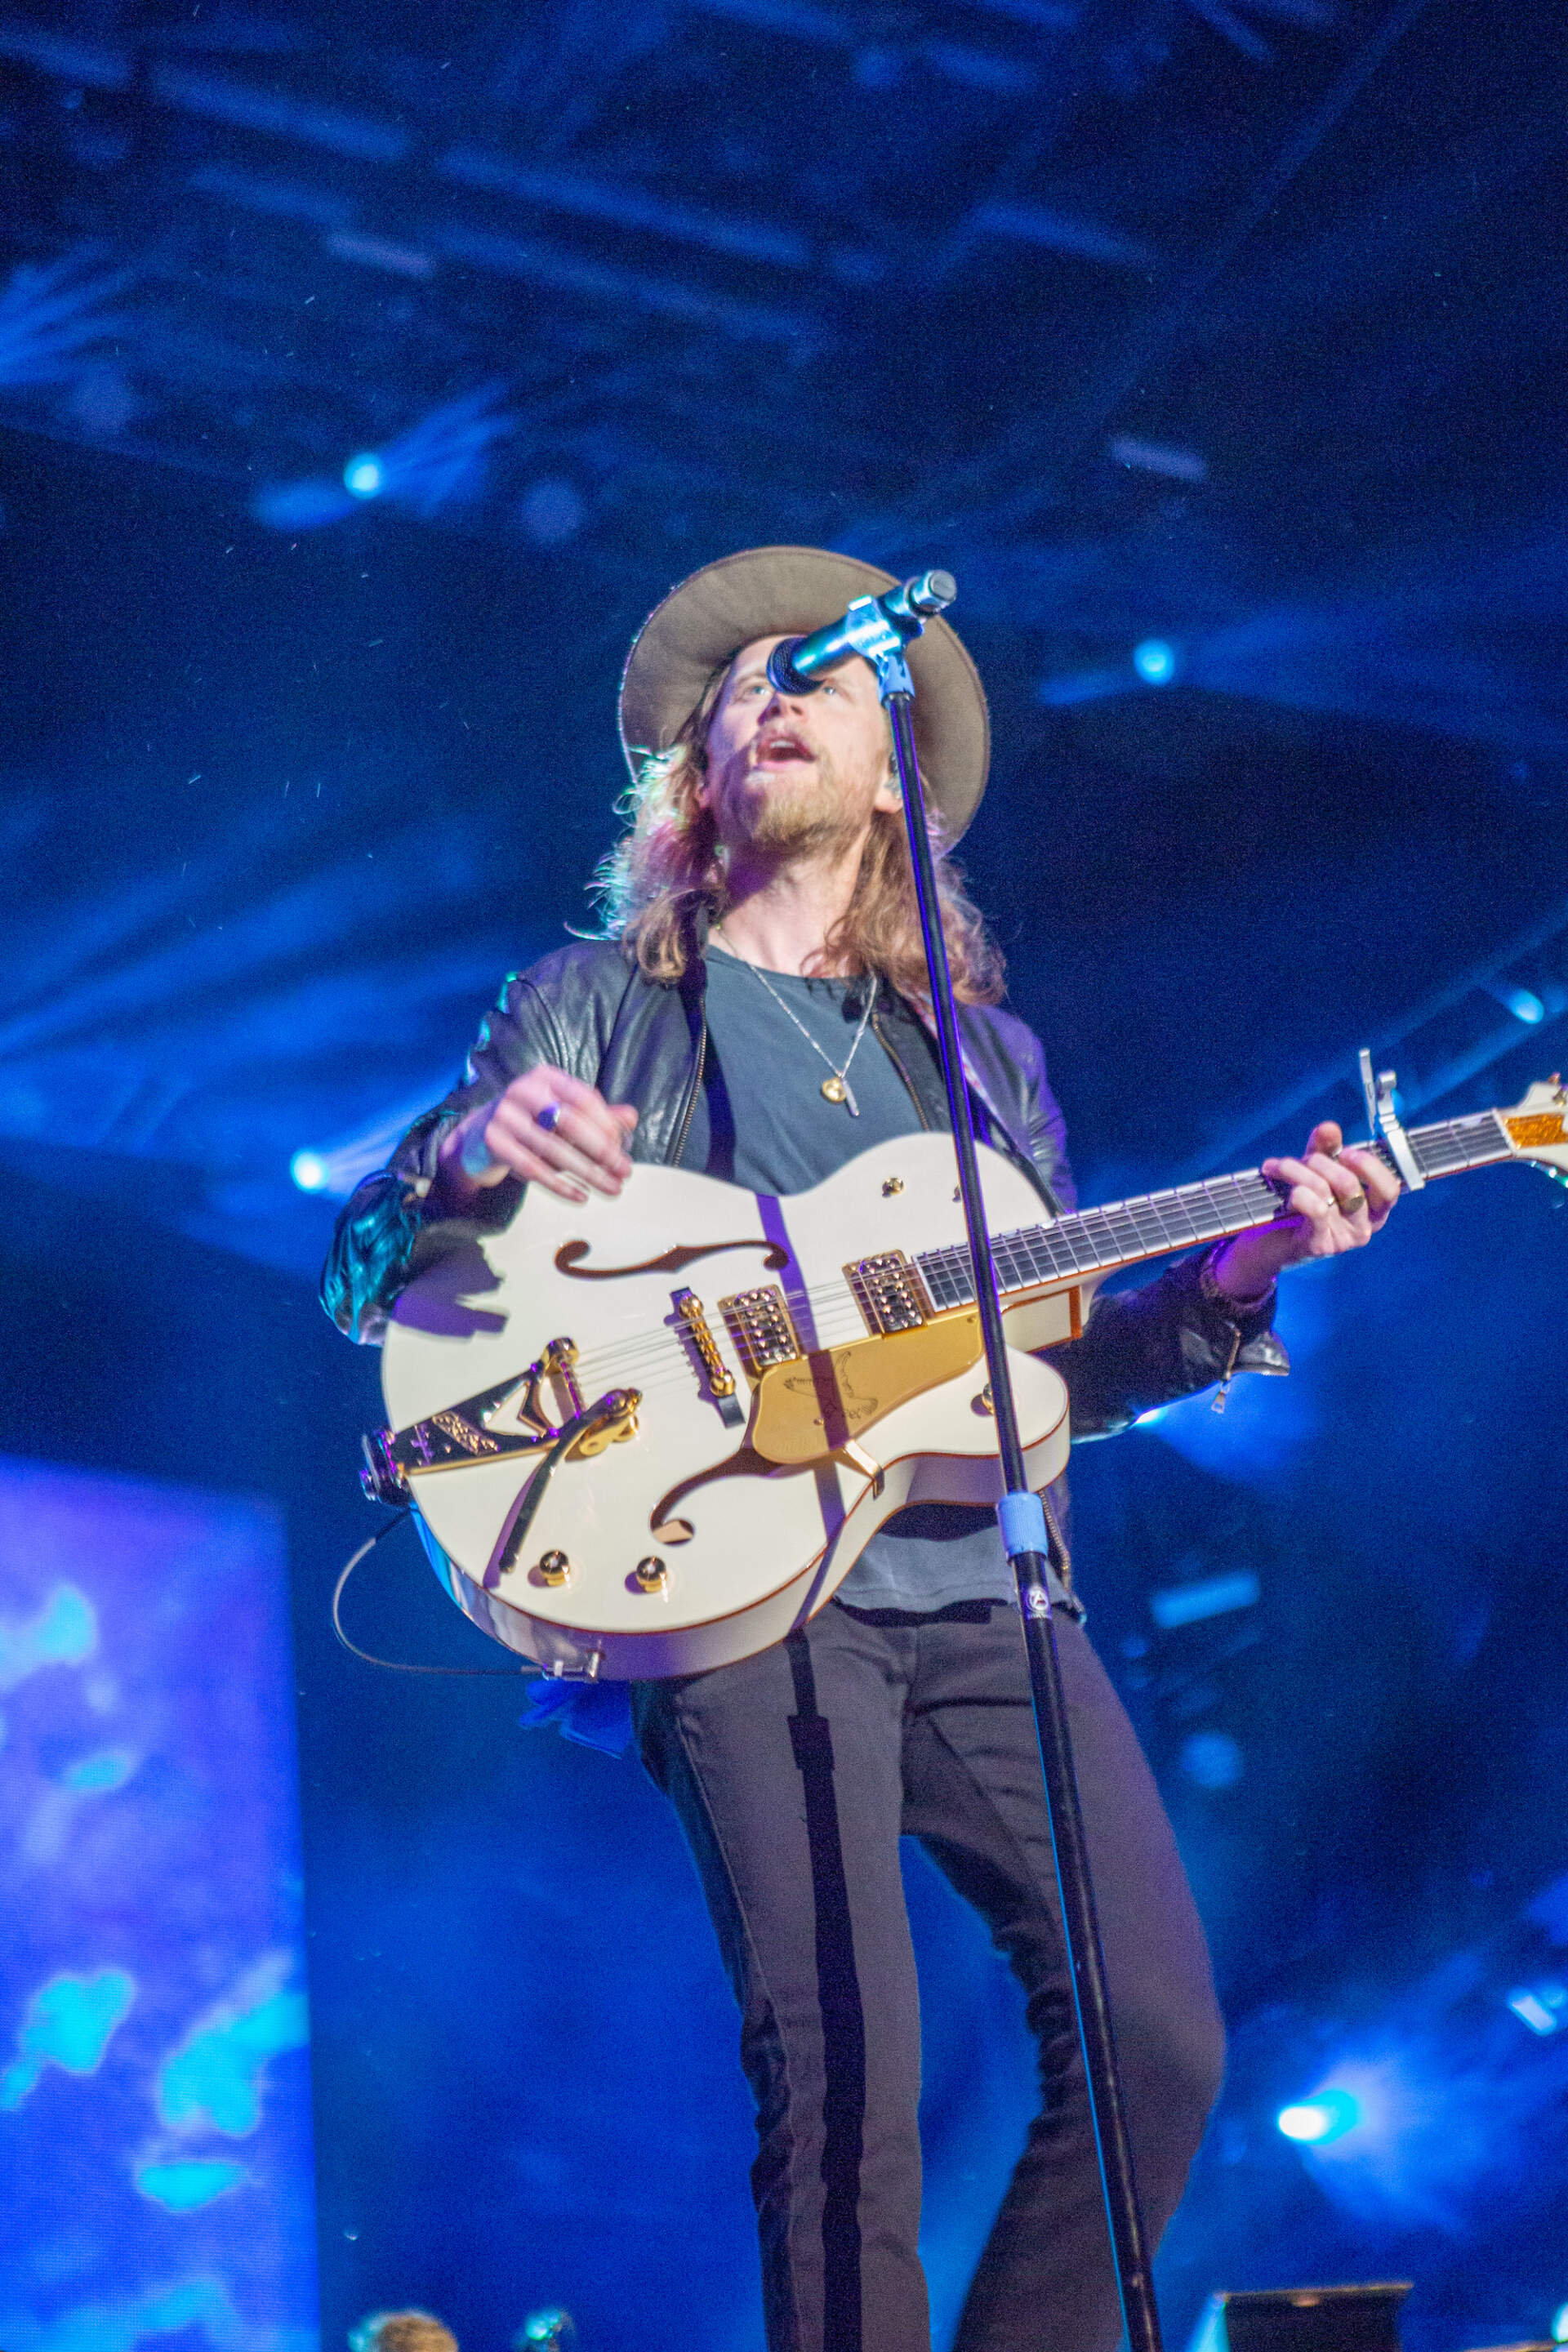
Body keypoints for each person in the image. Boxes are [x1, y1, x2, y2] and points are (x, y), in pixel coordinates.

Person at [323, 546, 1398, 2352]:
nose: (783, 692)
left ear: (895, 766)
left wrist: (1242, 1270)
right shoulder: (593, 1001)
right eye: (747, 684)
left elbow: (1041, 1376)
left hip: (985, 1588)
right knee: (848, 2089)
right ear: (694, 777)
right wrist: (468, 1153)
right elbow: (367, 1272)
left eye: (819, 677)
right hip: (732, 1582)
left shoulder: (987, 1065)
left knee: (1155, 2038)